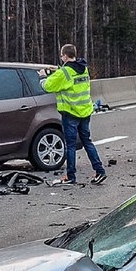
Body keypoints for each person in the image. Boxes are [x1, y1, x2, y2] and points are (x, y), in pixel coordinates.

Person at [39, 44, 107, 185]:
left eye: (61, 55)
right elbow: (69, 77)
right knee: (87, 142)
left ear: (64, 56)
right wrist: (57, 71)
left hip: (71, 113)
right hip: (85, 111)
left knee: (70, 146)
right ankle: (100, 171)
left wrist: (43, 77)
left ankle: (71, 176)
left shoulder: (64, 73)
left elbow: (48, 86)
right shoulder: (84, 69)